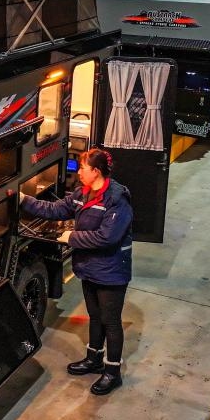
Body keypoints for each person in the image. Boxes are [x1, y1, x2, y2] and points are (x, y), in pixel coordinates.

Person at [19, 148, 133, 395]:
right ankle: (94, 359)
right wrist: (23, 200)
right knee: (95, 315)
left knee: (110, 321)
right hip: (90, 268)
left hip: (111, 271)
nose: (78, 172)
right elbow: (55, 209)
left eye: (82, 168)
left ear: (96, 171)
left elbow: (107, 237)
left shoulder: (117, 199)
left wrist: (71, 237)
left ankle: (112, 372)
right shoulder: (83, 193)